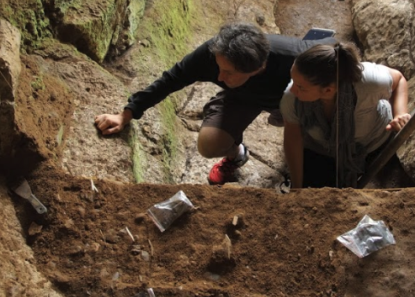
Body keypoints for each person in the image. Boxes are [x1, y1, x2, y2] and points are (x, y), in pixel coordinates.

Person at [95, 23, 335, 185]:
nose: (219, 77)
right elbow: (171, 79)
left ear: (258, 68)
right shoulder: (212, 55)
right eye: (219, 68)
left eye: (228, 72)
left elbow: (334, 57)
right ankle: (237, 154)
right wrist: (126, 114)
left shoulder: (293, 59)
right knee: (209, 144)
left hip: (290, 95)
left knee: (316, 134)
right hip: (241, 97)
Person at [280, 42, 410, 189]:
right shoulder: (292, 99)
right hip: (323, 149)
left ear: (328, 91)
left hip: (372, 143)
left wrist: (400, 113)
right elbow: (293, 138)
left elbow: (399, 79)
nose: (293, 89)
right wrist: (297, 187)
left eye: (300, 87)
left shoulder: (369, 82)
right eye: (293, 81)